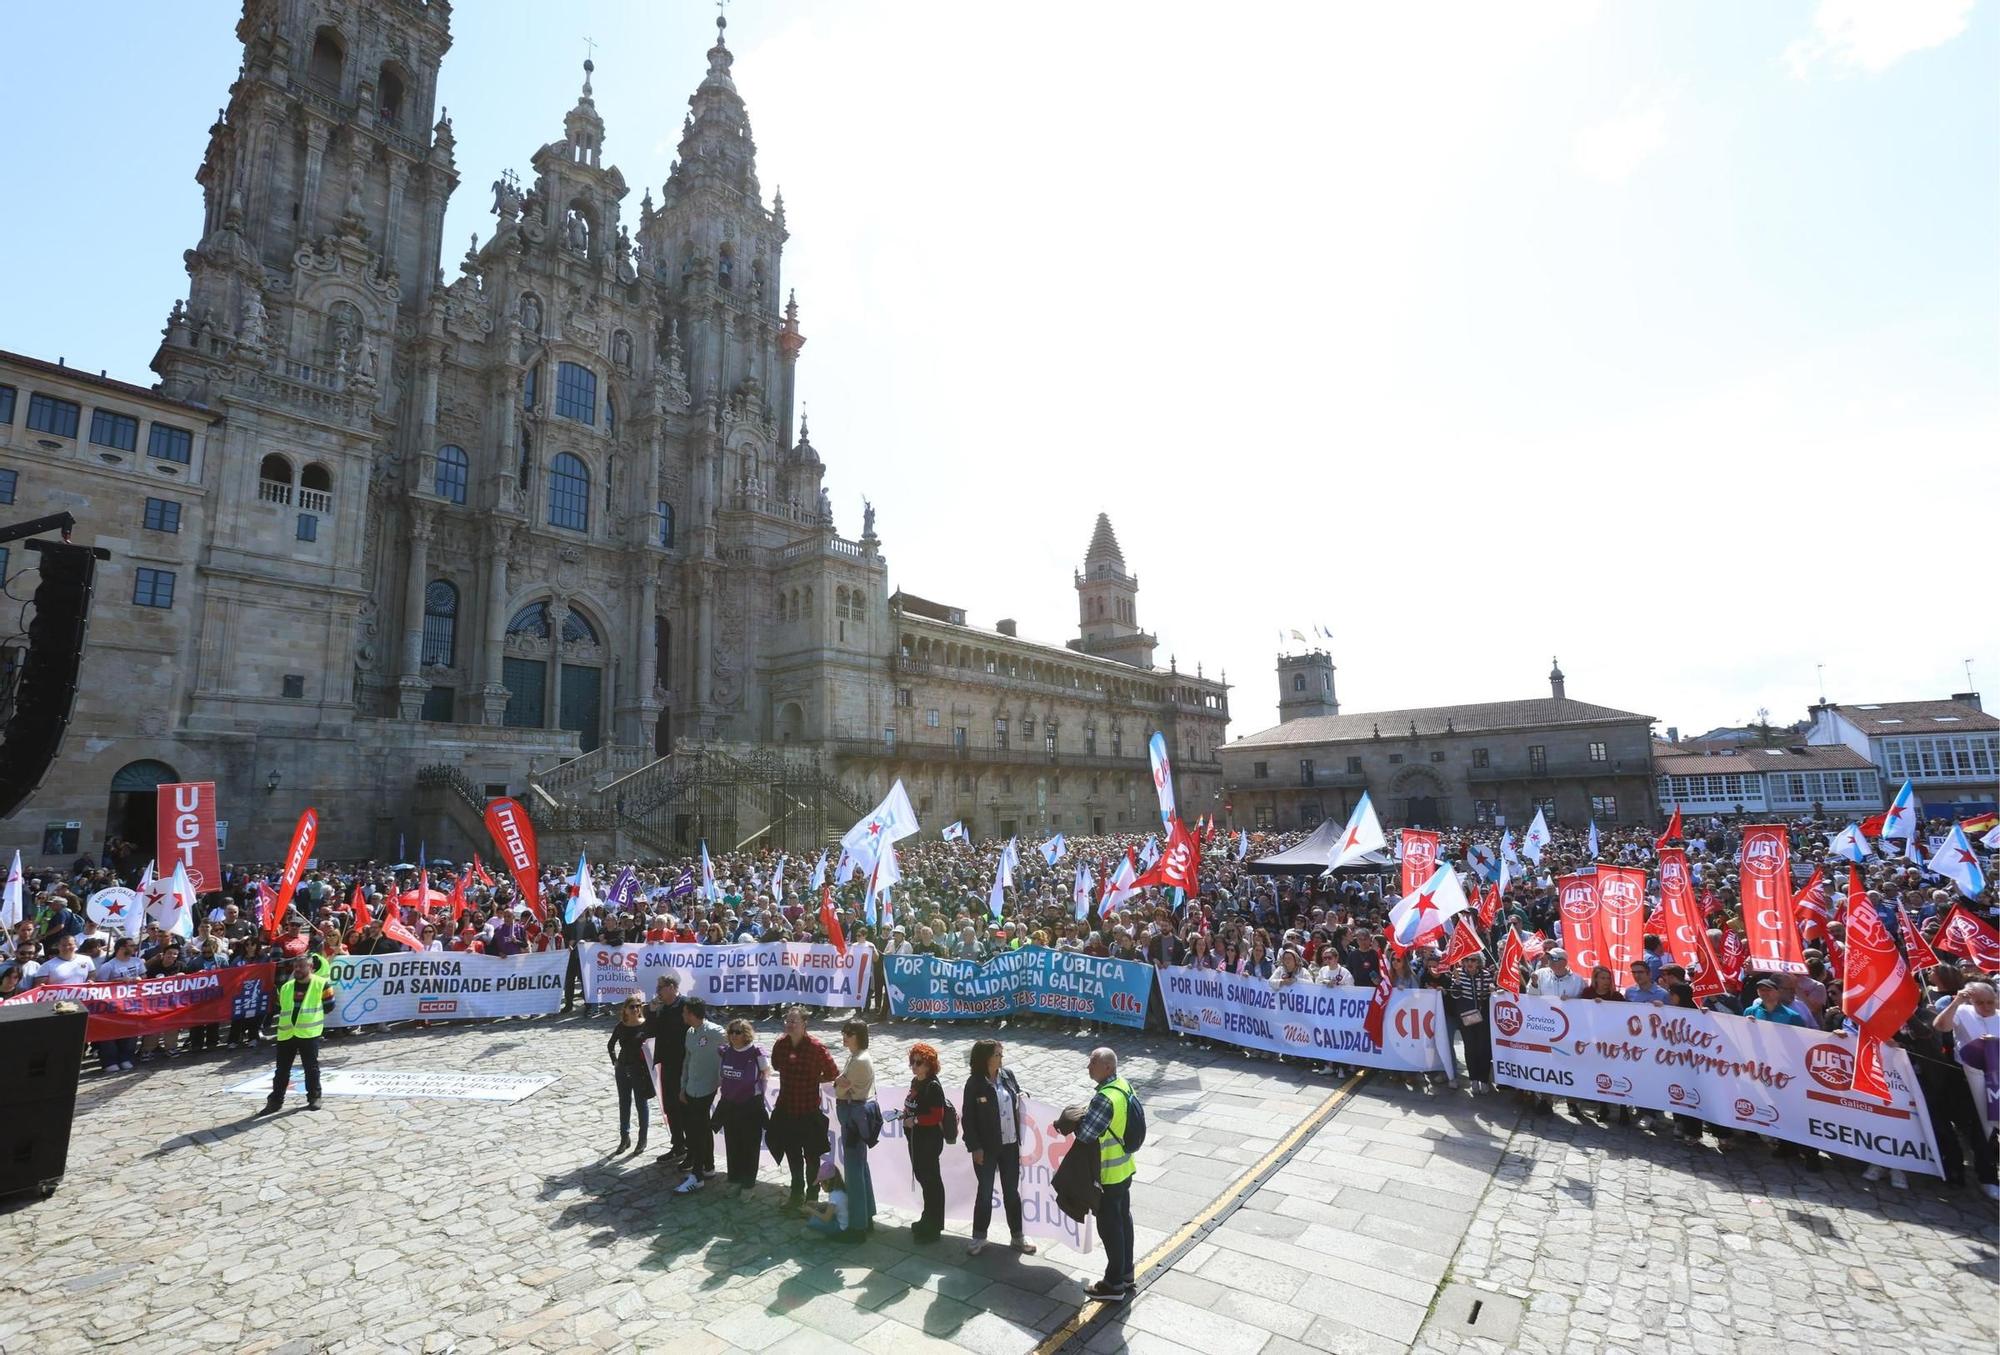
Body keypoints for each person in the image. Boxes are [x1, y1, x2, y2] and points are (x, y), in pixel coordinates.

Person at [1070, 1046, 1139, 1301]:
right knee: (1123, 1220)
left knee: (1110, 1228)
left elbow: (1085, 1135)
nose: (1088, 1067)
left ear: (1107, 1067)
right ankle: (1127, 1273)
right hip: (1125, 1167)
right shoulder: (1123, 1086)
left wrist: (1074, 1119)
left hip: (1109, 1173)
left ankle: (1113, 1284)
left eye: (1093, 1063)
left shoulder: (1104, 1098)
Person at [962, 1039, 1036, 1254]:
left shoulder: (1007, 1075)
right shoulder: (974, 1083)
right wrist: (975, 1147)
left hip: (1010, 1145)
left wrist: (1023, 1096)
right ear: (986, 1058)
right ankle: (979, 1237)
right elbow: (968, 1119)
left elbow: (1016, 1093)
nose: (1001, 1058)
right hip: (986, 1148)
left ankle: (1017, 1236)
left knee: (1011, 1192)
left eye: (1001, 1054)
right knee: (985, 1193)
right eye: (997, 1054)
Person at [1932, 980, 2000, 1201]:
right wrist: (1957, 1002)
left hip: (1993, 1081)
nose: (1986, 1007)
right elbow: (1941, 1026)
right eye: (1980, 1002)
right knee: (1955, 1122)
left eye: (1990, 1002)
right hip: (1962, 1077)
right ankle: (1954, 1169)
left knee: (1986, 1128)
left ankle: (1988, 1177)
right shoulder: (1962, 1011)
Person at [767, 1005, 839, 1212]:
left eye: (794, 1021)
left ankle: (812, 1199)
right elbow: (776, 1065)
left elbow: (833, 1072)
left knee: (812, 1158)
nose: (790, 1024)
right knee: (792, 1155)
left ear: (804, 1024)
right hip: (787, 1109)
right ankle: (796, 1194)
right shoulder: (781, 1045)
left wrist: (815, 1079)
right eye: (787, 1021)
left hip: (808, 1111)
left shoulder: (816, 1048)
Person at [258, 954, 333, 1114]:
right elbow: (280, 1006)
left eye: (301, 966)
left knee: (311, 1068)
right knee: (281, 1070)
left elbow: (329, 1006)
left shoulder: (322, 984)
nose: (297, 969)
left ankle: (314, 1097)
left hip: (308, 1033)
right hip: (286, 1034)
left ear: (310, 967)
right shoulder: (286, 987)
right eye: (295, 966)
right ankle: (275, 1101)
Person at [832, 1018, 878, 1237]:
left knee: (854, 1171)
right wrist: (839, 1083)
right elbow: (840, 1085)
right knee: (860, 1166)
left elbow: (839, 1090)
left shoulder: (859, 1060)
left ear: (859, 1036)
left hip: (853, 1115)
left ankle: (858, 1226)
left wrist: (838, 1083)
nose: (845, 1036)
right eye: (844, 1032)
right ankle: (866, 1216)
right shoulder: (856, 1056)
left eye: (849, 1033)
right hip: (854, 1114)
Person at [714, 1016, 770, 1193]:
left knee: (750, 1146)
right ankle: (734, 1179)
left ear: (746, 1034)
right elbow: (722, 1075)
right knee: (732, 1143)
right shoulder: (725, 1051)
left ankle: (748, 1184)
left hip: (750, 1105)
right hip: (730, 1104)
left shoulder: (756, 1052)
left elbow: (765, 1072)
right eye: (731, 1031)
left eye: (738, 1032)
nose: (734, 1035)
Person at [678, 997, 727, 1193]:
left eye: (684, 1012)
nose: (682, 1015)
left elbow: (735, 1047)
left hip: (707, 1088)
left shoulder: (716, 1032)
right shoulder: (690, 1033)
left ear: (691, 1014)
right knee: (702, 1128)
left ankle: (697, 1176)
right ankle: (708, 1166)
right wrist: (683, 1086)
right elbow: (687, 1061)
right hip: (692, 1088)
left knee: (697, 1131)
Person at [903, 1041, 949, 1242]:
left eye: (918, 1062)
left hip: (929, 1141)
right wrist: (904, 1114)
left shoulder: (933, 1086)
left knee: (931, 1182)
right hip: (916, 1140)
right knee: (923, 1179)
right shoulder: (916, 1082)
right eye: (912, 1061)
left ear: (929, 1065)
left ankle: (934, 1226)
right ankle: (927, 1218)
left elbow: (936, 1116)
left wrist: (915, 1120)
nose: (914, 1066)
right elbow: (912, 1105)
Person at [646, 975, 689, 1168]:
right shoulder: (661, 1008)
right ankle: (678, 1145)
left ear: (671, 987)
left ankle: (692, 1149)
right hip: (667, 1064)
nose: (658, 992)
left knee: (685, 1107)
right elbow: (650, 1032)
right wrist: (652, 1012)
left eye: (660, 988)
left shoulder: (686, 1005)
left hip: (685, 1064)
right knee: (670, 1107)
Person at [607, 995, 653, 1154]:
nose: (635, 1009)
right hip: (622, 1068)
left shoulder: (645, 1025)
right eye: (632, 1006)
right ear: (625, 1009)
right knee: (624, 1102)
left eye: (638, 1006)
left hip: (639, 1069)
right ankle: (624, 1137)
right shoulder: (621, 1026)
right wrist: (614, 1061)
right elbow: (611, 1044)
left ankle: (642, 1139)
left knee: (641, 1103)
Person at [1444, 953, 1495, 1092]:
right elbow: (1455, 995)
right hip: (1465, 1018)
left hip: (1482, 1018)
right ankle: (1473, 1079)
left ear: (1478, 962)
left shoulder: (1485, 975)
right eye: (1466, 960)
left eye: (1473, 960)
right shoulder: (1458, 973)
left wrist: (1492, 989)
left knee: (1483, 1048)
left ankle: (1483, 1079)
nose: (1469, 963)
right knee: (1470, 1048)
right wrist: (1457, 981)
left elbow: (1489, 996)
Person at [804, 1160, 852, 1238]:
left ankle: (823, 1235)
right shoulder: (839, 1189)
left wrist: (810, 1210)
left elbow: (826, 1218)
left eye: (821, 1183)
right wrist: (818, 1204)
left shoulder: (834, 1196)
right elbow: (835, 1206)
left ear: (828, 1181)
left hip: (840, 1227)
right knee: (819, 1211)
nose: (821, 1186)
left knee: (812, 1222)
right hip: (843, 1220)